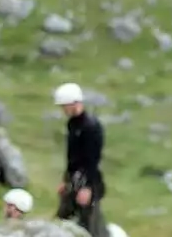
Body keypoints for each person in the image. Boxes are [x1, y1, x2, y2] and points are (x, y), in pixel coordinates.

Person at [53, 82, 110, 237]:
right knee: (62, 219)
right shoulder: (72, 124)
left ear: (74, 103)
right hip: (74, 179)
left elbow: (93, 160)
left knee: (91, 223)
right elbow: (71, 156)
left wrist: (88, 188)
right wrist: (65, 180)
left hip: (88, 181)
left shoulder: (91, 127)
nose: (63, 109)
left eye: (64, 105)